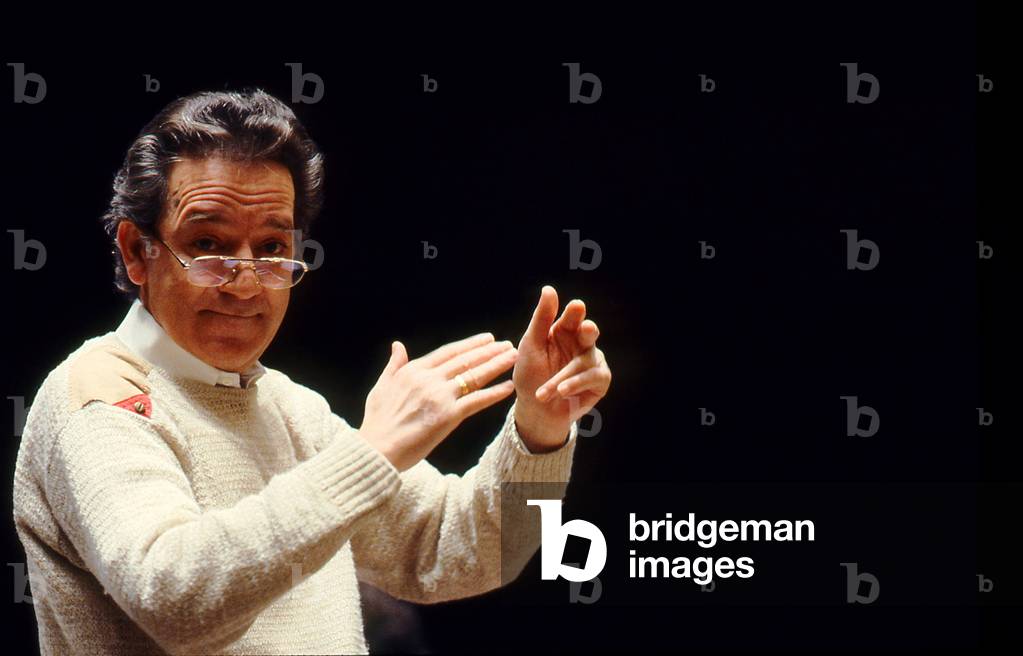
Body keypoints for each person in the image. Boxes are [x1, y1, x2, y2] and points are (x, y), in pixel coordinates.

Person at [11, 88, 612, 655]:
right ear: (138, 251)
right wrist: (370, 454)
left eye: (272, 248)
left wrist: (539, 430)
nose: (246, 279)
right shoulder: (96, 395)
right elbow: (174, 599)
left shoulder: (289, 407)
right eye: (208, 244)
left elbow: (473, 553)